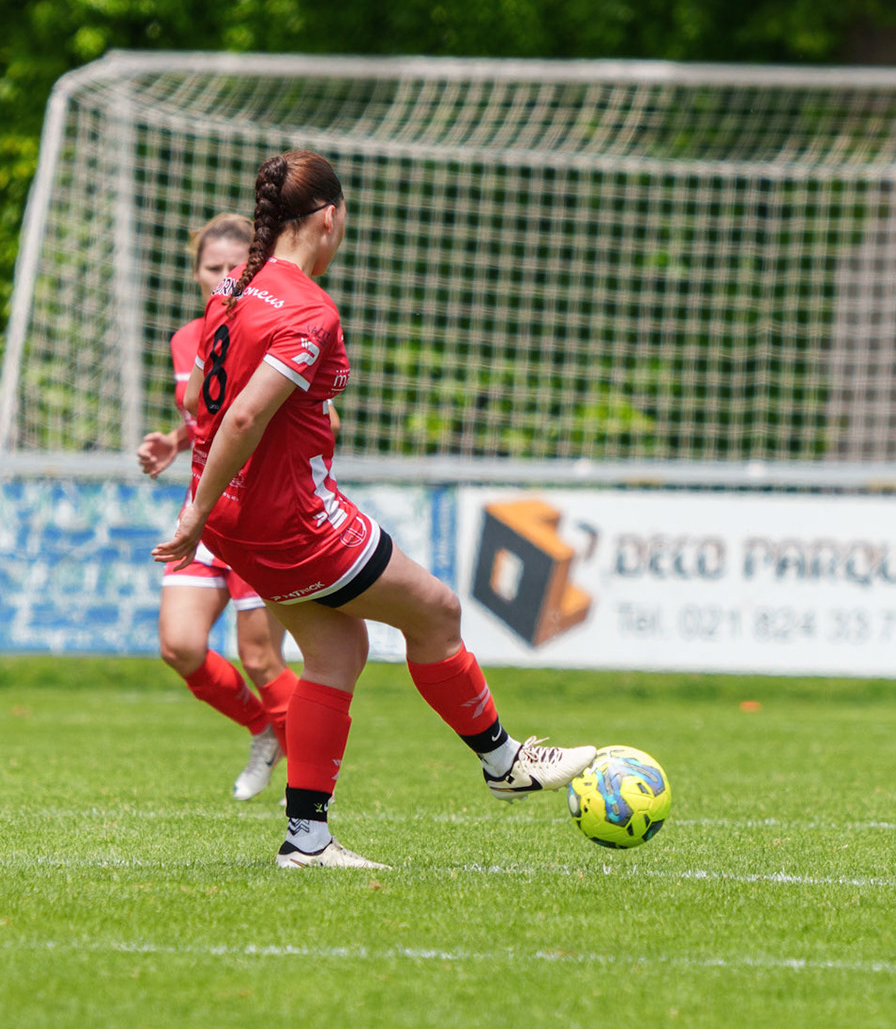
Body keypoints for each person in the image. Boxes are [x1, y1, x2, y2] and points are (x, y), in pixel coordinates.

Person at [154, 151, 595, 869]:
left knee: (336, 652)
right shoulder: (308, 309)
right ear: (329, 217)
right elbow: (243, 416)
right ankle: (503, 761)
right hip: (292, 520)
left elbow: (204, 390)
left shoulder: (233, 286)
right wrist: (194, 514)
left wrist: (202, 498)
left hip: (238, 520)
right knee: (437, 611)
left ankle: (307, 839)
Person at [137, 214, 301, 801]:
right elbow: (209, 417)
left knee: (260, 657)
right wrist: (175, 441)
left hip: (259, 512)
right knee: (179, 646)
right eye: (213, 268)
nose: (224, 277)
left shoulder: (278, 326)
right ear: (196, 273)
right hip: (203, 512)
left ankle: (311, 784)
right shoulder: (188, 338)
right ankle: (264, 731)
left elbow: (316, 418)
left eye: (236, 266)